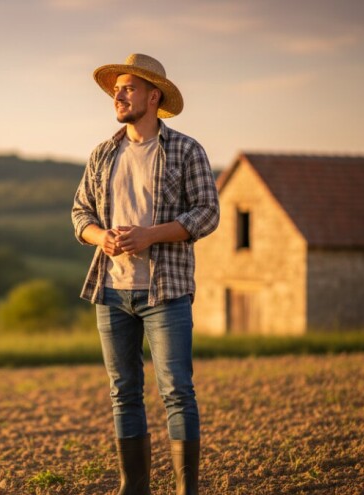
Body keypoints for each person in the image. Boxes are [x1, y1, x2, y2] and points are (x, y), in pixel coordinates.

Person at [71, 53, 220, 495]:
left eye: (128, 88)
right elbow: (80, 214)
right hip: (111, 291)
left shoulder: (186, 150)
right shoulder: (103, 153)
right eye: (116, 89)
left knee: (177, 391)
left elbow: (208, 212)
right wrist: (102, 237)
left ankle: (185, 490)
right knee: (123, 393)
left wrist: (149, 236)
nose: (118, 96)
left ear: (153, 97)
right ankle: (133, 488)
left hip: (166, 291)